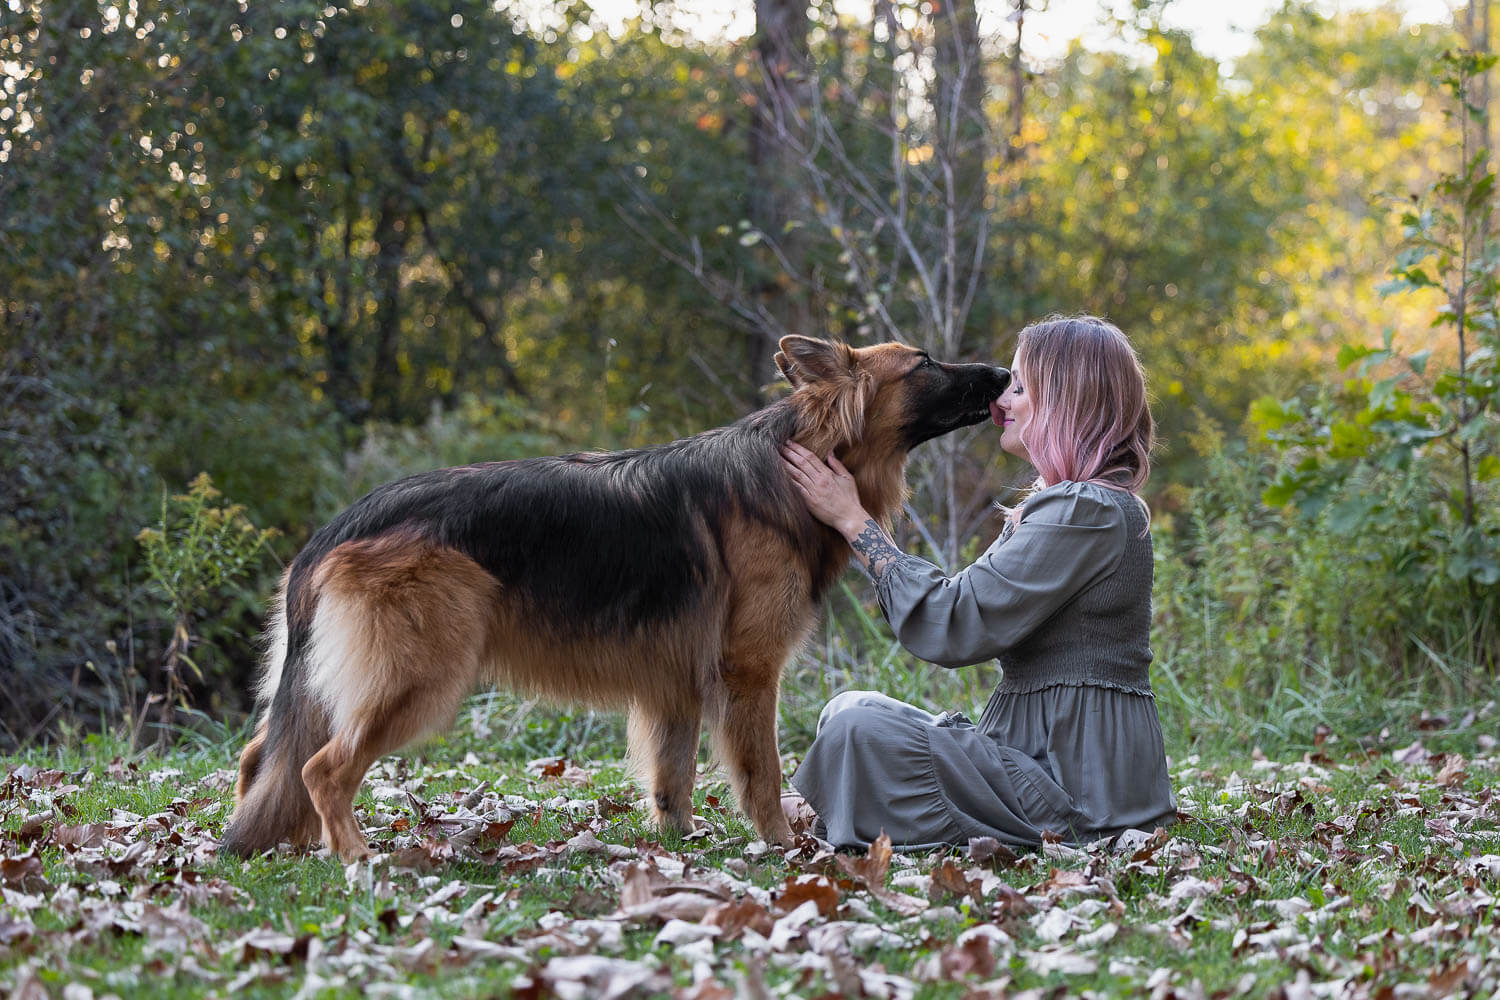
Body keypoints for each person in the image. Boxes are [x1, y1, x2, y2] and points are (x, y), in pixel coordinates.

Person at [778, 315, 1177, 850]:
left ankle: (812, 810)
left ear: (1065, 397)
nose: (1001, 401)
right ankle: (815, 807)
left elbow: (955, 622)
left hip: (1078, 793)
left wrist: (856, 523)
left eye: (1019, 385)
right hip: (1043, 764)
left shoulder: (1087, 510)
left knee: (856, 728)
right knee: (848, 712)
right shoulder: (1081, 506)